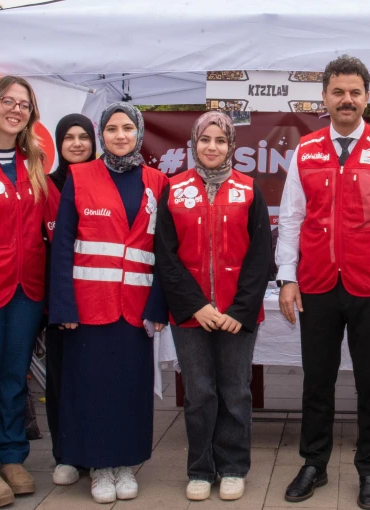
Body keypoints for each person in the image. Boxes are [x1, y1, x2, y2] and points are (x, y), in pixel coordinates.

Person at [276, 55, 370, 510]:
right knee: (316, 381)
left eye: (355, 92)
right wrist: (287, 277)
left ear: (367, 97)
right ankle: (313, 463)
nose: (346, 99)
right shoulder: (306, 149)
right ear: (324, 97)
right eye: (338, 92)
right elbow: (292, 218)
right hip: (317, 284)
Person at [49, 102, 168, 504]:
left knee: (131, 388)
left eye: (127, 128)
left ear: (139, 133)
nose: (120, 135)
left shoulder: (157, 182)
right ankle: (99, 466)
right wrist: (63, 306)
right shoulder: (80, 177)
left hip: (136, 307)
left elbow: (164, 251)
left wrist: (158, 306)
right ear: (102, 135)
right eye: (113, 129)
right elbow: (63, 246)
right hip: (89, 306)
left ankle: (125, 464)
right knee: (92, 387)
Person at [155, 111, 271, 502]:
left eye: (220, 140)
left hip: (236, 316)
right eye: (205, 139)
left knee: (235, 391)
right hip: (191, 316)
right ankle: (201, 470)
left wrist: (240, 311)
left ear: (231, 146)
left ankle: (234, 467)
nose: (212, 147)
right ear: (194, 143)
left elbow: (261, 257)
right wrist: (195, 306)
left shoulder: (249, 190)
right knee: (199, 393)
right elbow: (166, 256)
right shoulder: (173, 189)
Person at [0, 76, 47, 509]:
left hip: (27, 288)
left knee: (14, 376)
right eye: (8, 101)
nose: (16, 109)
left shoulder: (33, 162)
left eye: (24, 104)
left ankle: (11, 455)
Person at [42, 113, 96, 487]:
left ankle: (94, 450)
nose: (77, 144)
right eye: (69, 138)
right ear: (59, 144)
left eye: (83, 137)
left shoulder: (103, 183)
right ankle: (65, 455)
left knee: (93, 379)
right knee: (61, 381)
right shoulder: (44, 187)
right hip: (57, 302)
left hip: (97, 300)